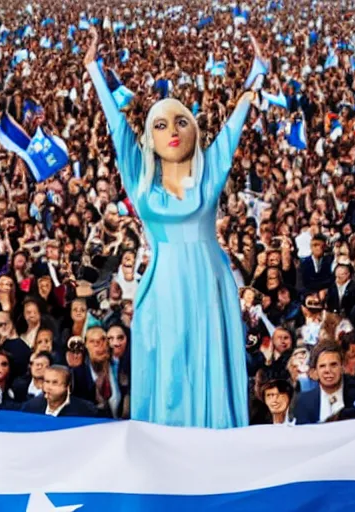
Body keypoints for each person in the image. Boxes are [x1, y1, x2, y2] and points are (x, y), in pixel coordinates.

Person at [84, 26, 267, 427]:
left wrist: (259, 71)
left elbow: (237, 119)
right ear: (149, 136)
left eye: (181, 121)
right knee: (168, 368)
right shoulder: (140, 180)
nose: (172, 131)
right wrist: (94, 69)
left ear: (195, 130)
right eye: (161, 124)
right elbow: (117, 127)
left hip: (209, 283)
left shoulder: (210, 172)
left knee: (209, 361)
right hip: (163, 285)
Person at [293, 343, 355, 425]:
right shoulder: (302, 402)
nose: (328, 370)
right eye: (322, 366)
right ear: (314, 372)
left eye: (333, 365)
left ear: (342, 367)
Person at [21, 365, 98, 417]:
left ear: (67, 387)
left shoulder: (86, 410)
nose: (49, 387)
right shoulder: (30, 408)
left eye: (55, 383)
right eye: (47, 382)